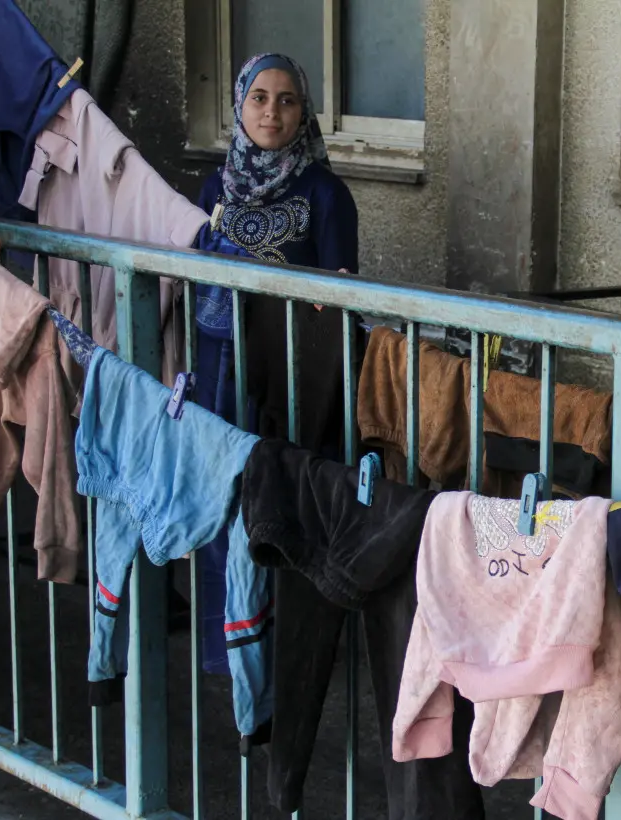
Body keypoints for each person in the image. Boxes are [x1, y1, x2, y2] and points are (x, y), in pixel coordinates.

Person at [192, 52, 360, 676]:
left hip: (290, 375)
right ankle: (222, 651)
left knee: (278, 502)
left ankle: (285, 655)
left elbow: (343, 295)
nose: (272, 111)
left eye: (287, 100)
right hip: (216, 366)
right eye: (259, 97)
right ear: (239, 104)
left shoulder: (325, 193)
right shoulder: (214, 187)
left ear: (304, 111)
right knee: (222, 496)